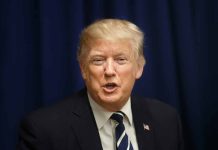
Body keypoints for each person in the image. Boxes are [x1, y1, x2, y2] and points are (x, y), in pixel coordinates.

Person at [17, 19, 184, 150]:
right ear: (83, 69)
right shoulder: (43, 130)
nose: (109, 71)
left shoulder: (166, 120)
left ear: (139, 68)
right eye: (98, 60)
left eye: (120, 59)